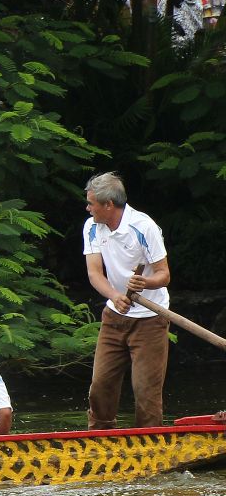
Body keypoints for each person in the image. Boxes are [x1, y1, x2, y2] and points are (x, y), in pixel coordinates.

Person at [83, 171, 171, 429]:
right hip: (114, 317)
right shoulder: (92, 227)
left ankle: (149, 446)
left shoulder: (143, 227)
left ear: (108, 204)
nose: (88, 208)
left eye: (91, 204)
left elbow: (164, 275)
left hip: (150, 319)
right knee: (100, 385)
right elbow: (94, 273)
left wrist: (145, 282)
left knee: (145, 391)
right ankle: (100, 439)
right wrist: (115, 296)